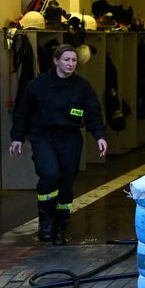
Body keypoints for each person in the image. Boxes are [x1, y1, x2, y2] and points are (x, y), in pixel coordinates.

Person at [8, 43, 108, 244]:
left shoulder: (82, 87)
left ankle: (61, 224)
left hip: (70, 137)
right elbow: (22, 113)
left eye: (73, 60)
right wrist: (17, 137)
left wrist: (100, 136)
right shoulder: (37, 86)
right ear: (55, 61)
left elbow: (93, 114)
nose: (71, 64)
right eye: (66, 60)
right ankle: (46, 220)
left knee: (65, 182)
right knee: (50, 173)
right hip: (43, 136)